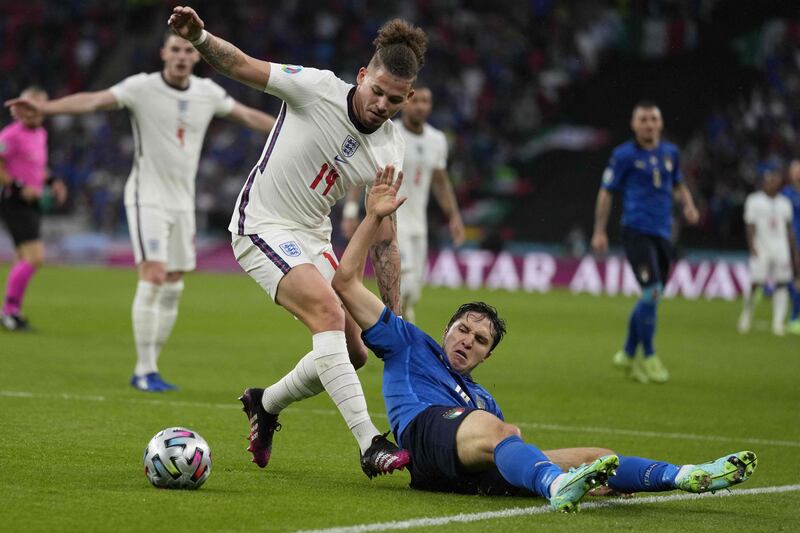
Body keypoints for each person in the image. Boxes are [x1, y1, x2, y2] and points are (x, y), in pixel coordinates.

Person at [331, 168, 757, 511]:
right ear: (446, 329)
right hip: (424, 440)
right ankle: (556, 486)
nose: (467, 340)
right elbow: (346, 281)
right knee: (496, 432)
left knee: (598, 458)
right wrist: (371, 218)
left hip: (466, 470)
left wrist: (550, 461)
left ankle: (683, 475)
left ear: (488, 355)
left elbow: (501, 440)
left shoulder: (483, 399)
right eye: (462, 329)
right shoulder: (409, 342)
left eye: (479, 340)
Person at [167, 5, 427, 478]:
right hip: (262, 224)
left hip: (312, 235)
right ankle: (370, 444)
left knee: (355, 352)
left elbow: (384, 239)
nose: (381, 105)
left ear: (407, 97)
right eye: (376, 92)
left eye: (394, 100)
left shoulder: (391, 148)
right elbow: (241, 64)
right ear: (363, 75)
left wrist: (394, 320)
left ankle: (264, 403)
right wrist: (201, 38)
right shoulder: (317, 88)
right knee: (326, 313)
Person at [6, 32, 276, 391]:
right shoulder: (141, 87)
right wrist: (47, 108)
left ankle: (153, 368)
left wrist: (291, 131)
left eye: (187, 51)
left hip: (183, 201)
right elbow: (94, 101)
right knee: (153, 274)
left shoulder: (207, 94)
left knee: (174, 283)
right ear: (164, 53)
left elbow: (247, 116)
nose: (181, 56)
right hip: (146, 195)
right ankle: (144, 370)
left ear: (196, 57)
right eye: (175, 49)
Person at [591, 101, 699, 384]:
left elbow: (678, 184)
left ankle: (627, 353)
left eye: (653, 119)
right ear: (634, 124)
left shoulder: (670, 153)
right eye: (644, 119)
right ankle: (649, 356)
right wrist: (599, 230)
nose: (649, 124)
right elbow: (606, 193)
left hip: (664, 233)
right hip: (636, 231)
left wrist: (688, 206)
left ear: (660, 124)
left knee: (653, 296)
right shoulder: (623, 155)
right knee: (652, 292)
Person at [341, 85, 465, 323]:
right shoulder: (389, 134)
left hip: (419, 225)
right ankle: (384, 325)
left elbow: (440, 182)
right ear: (407, 102)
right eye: (416, 100)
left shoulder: (437, 140)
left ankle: (402, 319)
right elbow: (364, 173)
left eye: (426, 101)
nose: (421, 106)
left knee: (413, 292)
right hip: (393, 223)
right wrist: (350, 211)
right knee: (403, 285)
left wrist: (453, 216)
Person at [0, 86, 67, 331]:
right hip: (14, 201)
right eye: (27, 106)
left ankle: (11, 312)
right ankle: (10, 311)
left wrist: (52, 181)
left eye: (37, 106)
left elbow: (38, 167)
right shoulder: (10, 135)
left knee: (22, 259)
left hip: (33, 202)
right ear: (19, 107)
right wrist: (19, 187)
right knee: (35, 257)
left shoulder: (40, 134)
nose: (32, 111)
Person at [738, 163, 799, 336]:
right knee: (756, 282)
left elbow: (789, 230)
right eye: (770, 179)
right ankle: (747, 314)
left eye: (776, 179)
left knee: (781, 284)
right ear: (764, 181)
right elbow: (749, 225)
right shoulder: (754, 200)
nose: (773, 182)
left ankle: (778, 323)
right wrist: (752, 247)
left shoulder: (784, 203)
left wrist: (793, 252)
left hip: (781, 249)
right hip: (761, 247)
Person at [781, 159, 800, 334]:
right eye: (795, 170)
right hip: (790, 241)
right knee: (793, 279)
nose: (797, 173)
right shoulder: (785, 194)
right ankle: (794, 316)